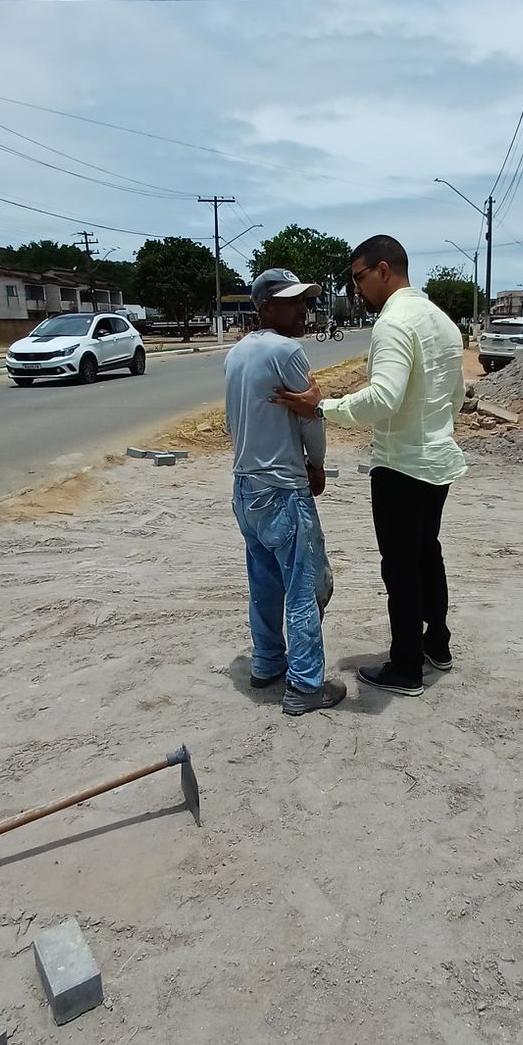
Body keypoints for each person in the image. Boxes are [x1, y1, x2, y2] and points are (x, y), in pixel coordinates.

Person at [274, 233, 465, 697]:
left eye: (358, 277)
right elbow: (456, 396)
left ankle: (405, 667)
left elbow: (382, 398)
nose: (356, 287)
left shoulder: (394, 323)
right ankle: (436, 643)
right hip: (437, 461)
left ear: (383, 269)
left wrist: (321, 408)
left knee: (400, 566)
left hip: (401, 466)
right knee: (427, 553)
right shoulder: (441, 320)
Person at [224, 268, 345, 717]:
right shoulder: (287, 350)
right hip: (283, 488)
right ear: (266, 306)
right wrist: (315, 465)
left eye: (305, 300)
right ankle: (306, 687)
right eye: (293, 301)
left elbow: (232, 422)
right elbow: (311, 415)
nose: (303, 309)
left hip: (245, 487)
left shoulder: (236, 354)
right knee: (305, 587)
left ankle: (268, 663)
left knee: (264, 583)